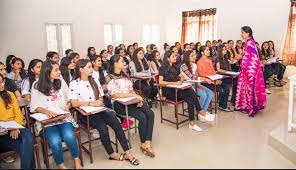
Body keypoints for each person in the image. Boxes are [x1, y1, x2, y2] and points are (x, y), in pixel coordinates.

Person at [69, 59, 139, 166]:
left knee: (116, 122)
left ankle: (128, 152)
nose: (92, 69)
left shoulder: (94, 80)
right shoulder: (74, 84)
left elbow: (101, 97)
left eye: (91, 67)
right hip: (85, 113)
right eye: (89, 67)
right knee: (102, 127)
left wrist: (100, 101)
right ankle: (111, 153)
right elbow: (74, 103)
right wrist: (91, 103)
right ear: (81, 70)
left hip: (99, 109)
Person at [30, 60, 82, 169]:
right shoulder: (36, 86)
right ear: (47, 72)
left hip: (63, 118)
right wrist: (46, 112)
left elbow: (69, 99)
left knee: (69, 136)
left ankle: (77, 162)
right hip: (47, 121)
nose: (59, 72)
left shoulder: (61, 82)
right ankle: (61, 165)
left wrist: (67, 106)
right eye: (56, 70)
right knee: (55, 141)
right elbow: (34, 107)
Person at [106, 55, 156, 158]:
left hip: (131, 101)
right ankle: (143, 143)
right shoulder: (109, 77)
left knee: (150, 114)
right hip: (119, 104)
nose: (124, 63)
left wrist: (137, 97)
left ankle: (147, 141)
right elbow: (114, 95)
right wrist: (132, 95)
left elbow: (131, 89)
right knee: (142, 116)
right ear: (115, 63)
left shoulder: (125, 75)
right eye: (121, 61)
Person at [159, 51, 214, 132]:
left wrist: (181, 79)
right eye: (173, 56)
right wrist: (174, 83)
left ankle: (192, 123)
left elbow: (180, 77)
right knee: (190, 92)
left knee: (190, 99)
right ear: (167, 58)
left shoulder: (175, 67)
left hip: (177, 89)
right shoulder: (162, 68)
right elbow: (160, 82)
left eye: (175, 56)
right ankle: (201, 111)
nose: (175, 58)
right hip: (169, 91)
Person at [0, 74, 35, 169]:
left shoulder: (10, 94)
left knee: (27, 137)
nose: (1, 85)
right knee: (26, 145)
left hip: (13, 129)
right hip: (1, 135)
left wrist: (15, 126)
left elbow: (18, 114)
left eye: (2, 82)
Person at [235, 26, 267, 117]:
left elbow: (252, 58)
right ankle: (248, 106)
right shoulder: (249, 43)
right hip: (248, 70)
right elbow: (249, 56)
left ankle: (251, 107)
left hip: (249, 71)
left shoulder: (249, 43)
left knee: (250, 89)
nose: (241, 34)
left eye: (242, 32)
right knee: (249, 89)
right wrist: (242, 56)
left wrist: (240, 57)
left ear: (247, 33)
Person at [197, 46, 232, 112]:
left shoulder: (209, 60)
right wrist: (213, 81)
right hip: (206, 82)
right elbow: (201, 74)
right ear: (202, 52)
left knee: (227, 87)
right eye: (207, 50)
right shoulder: (199, 62)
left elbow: (213, 71)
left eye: (208, 50)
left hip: (213, 79)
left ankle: (223, 106)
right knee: (222, 90)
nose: (209, 51)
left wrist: (217, 79)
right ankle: (220, 106)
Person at [180, 50, 214, 116]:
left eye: (194, 55)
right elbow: (192, 78)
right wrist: (204, 79)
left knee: (210, 93)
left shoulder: (194, 65)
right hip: (188, 86)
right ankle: (199, 111)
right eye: (192, 56)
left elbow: (196, 77)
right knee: (203, 94)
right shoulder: (183, 66)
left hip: (195, 83)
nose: (194, 57)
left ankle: (203, 111)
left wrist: (199, 84)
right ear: (187, 57)